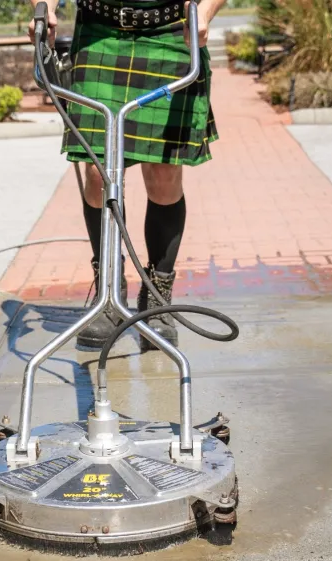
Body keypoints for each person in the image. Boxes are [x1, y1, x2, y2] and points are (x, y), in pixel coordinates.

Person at [29, 0, 225, 349]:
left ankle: (157, 295)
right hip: (99, 35)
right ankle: (108, 290)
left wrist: (204, 13)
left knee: (165, 171)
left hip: (171, 33)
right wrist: (44, 10)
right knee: (96, 171)